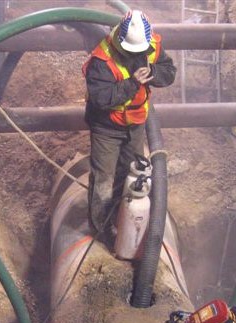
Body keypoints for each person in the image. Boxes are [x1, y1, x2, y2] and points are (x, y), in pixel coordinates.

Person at [82, 9, 176, 239]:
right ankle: (102, 229)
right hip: (107, 127)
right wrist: (133, 83)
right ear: (119, 41)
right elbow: (102, 98)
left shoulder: (151, 44)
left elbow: (169, 71)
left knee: (129, 173)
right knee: (104, 178)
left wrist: (153, 72)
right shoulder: (101, 60)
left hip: (136, 123)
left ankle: (122, 217)